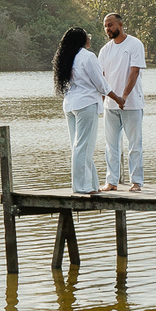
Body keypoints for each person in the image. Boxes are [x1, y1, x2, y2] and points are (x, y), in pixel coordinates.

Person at [52, 26, 108, 194]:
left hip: (70, 105)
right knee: (84, 146)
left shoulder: (67, 56)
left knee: (79, 146)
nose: (89, 38)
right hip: (85, 105)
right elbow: (101, 83)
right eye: (87, 36)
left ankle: (92, 184)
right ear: (82, 39)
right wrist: (117, 98)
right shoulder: (87, 56)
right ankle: (82, 187)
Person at [98, 12, 146, 190]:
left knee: (135, 144)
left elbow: (134, 72)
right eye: (105, 26)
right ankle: (111, 181)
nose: (107, 29)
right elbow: (101, 78)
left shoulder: (134, 44)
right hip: (110, 106)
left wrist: (124, 96)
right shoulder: (105, 50)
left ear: (120, 25)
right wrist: (104, 101)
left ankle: (136, 181)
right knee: (111, 146)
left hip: (132, 104)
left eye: (110, 25)